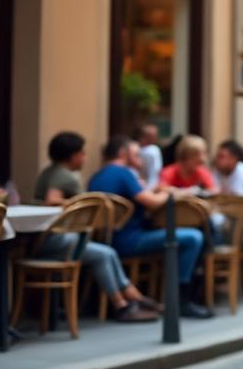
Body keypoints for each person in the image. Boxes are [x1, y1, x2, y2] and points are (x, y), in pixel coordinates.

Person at [33, 131, 158, 322]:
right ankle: (123, 305)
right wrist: (79, 207)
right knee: (104, 254)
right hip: (55, 241)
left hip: (42, 239)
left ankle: (132, 297)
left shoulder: (49, 171)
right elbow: (52, 201)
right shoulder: (65, 175)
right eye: (82, 153)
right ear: (73, 155)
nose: (84, 157)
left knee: (106, 252)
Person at [88, 135, 213, 319]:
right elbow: (152, 203)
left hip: (106, 239)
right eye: (137, 154)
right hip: (129, 240)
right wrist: (171, 193)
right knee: (193, 237)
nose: (141, 158)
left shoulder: (96, 176)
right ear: (124, 154)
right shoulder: (124, 173)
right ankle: (181, 300)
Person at [134, 124, 163, 189]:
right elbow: (153, 175)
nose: (155, 138)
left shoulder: (151, 150)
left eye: (156, 135)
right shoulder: (152, 150)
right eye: (151, 136)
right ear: (142, 137)